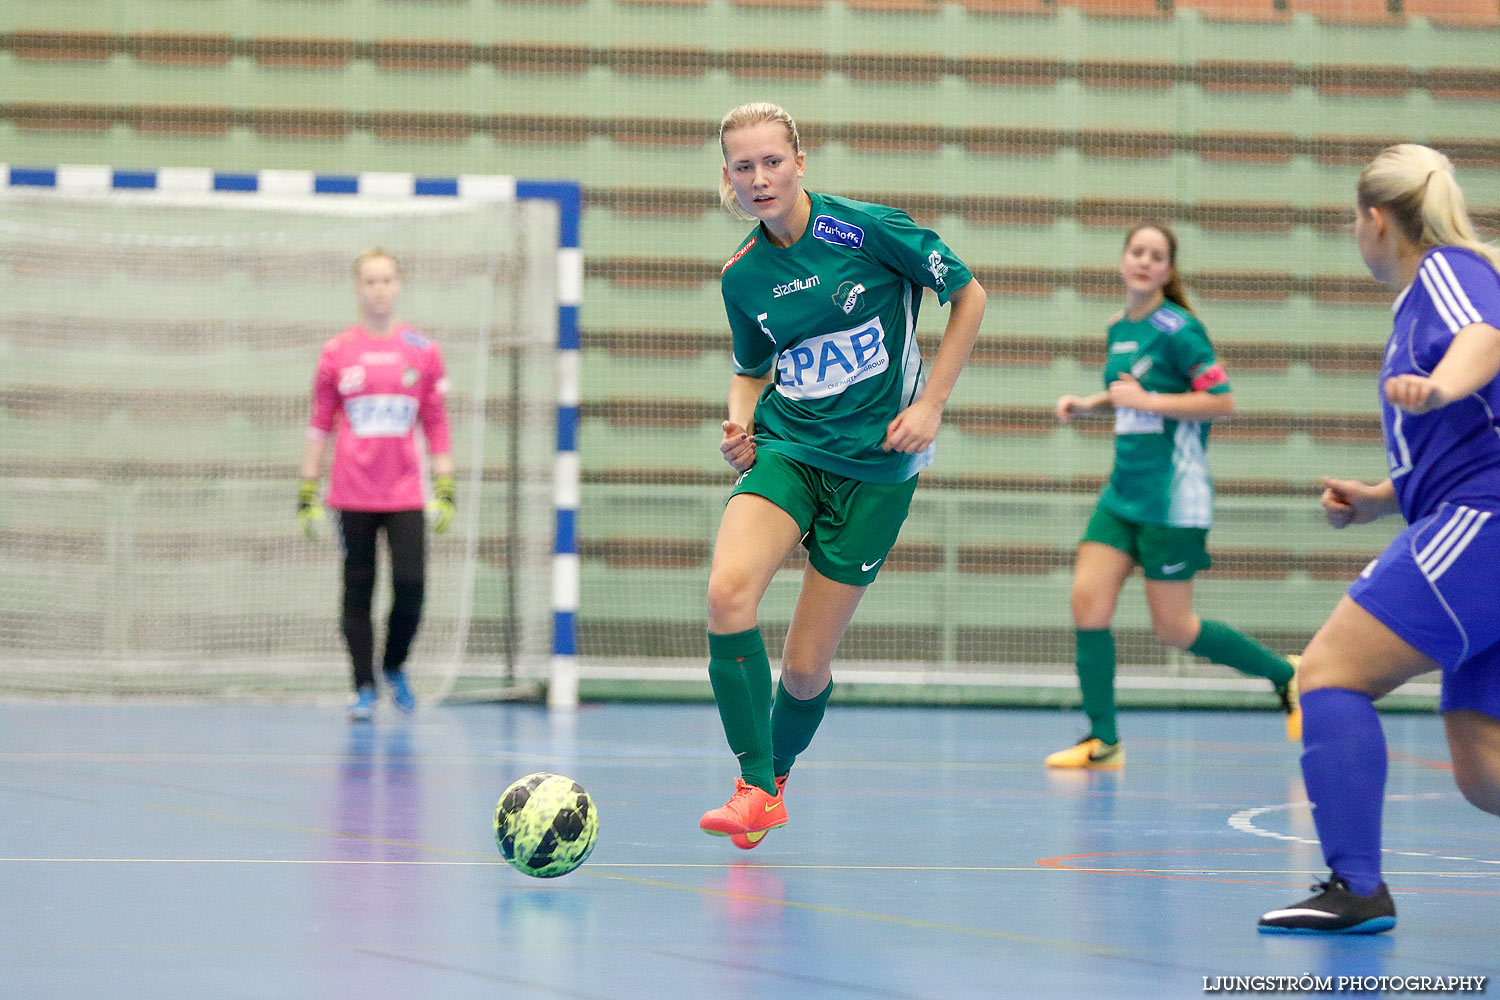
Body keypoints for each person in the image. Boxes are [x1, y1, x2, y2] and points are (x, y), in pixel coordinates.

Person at [701, 102, 987, 848]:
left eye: (771, 161)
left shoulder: (866, 230)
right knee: (728, 594)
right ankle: (754, 787)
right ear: (727, 179)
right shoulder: (743, 275)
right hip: (789, 451)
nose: (759, 178)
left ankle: (778, 771)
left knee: (802, 671)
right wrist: (739, 423)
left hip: (878, 471)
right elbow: (750, 370)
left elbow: (969, 295)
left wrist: (932, 404)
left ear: (800, 161)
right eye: (742, 167)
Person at [1258, 144, 1500, 934]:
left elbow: (1483, 340)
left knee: (1328, 672)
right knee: (1481, 765)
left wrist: (1441, 384)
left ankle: (1356, 885)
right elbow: (1460, 444)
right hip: (1466, 513)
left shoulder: (1448, 274)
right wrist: (1377, 497)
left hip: (1481, 526)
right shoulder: (1417, 302)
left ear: (1374, 220)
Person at [1044, 223, 1300, 770]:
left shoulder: (1180, 329)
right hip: (1122, 494)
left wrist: (1148, 400)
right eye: (1137, 251)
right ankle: (1103, 739)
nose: (1144, 261)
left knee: (1175, 629)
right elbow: (1129, 392)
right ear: (1122, 261)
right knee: (1087, 601)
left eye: (1157, 256)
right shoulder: (1118, 328)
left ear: (1169, 270)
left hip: (1173, 500)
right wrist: (1091, 405)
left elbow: (1221, 400)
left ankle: (1287, 674)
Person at [297, 249, 456, 722]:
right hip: (351, 493)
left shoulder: (422, 350)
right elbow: (319, 424)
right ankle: (363, 685)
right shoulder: (337, 351)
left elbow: (437, 423)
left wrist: (445, 485)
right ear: (357, 288)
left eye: (386, 279)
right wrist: (306, 490)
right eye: (369, 280)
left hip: (406, 492)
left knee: (411, 585)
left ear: (399, 284)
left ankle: (394, 666)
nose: (379, 288)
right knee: (357, 590)